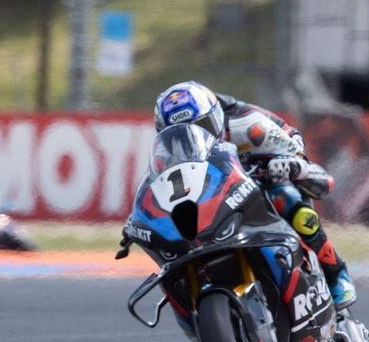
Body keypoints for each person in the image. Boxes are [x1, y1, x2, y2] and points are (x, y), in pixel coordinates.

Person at [153, 81, 356, 310]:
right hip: (214, 196)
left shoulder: (249, 126)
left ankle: (335, 273)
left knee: (291, 202)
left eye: (201, 127)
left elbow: (300, 159)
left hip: (261, 176)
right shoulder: (167, 154)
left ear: (215, 117)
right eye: (179, 136)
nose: (191, 139)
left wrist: (285, 165)